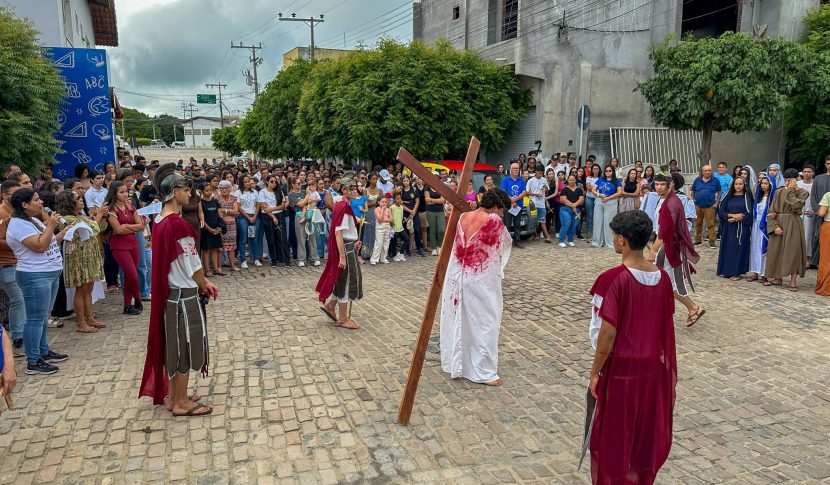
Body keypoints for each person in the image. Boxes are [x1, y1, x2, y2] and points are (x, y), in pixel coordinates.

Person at [588, 210, 676, 485]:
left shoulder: (612, 278)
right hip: (651, 370)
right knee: (642, 435)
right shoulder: (662, 278)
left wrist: (594, 372)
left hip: (622, 370)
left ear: (622, 240)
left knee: (614, 437)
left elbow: (606, 334)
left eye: (615, 236)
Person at [139, 163, 218, 417]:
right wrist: (204, 283)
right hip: (183, 294)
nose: (189, 195)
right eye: (186, 190)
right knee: (184, 346)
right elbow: (192, 262)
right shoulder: (177, 224)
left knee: (174, 346)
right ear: (174, 191)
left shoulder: (160, 220)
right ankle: (182, 402)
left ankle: (175, 397)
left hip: (170, 294)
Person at [440, 188, 512, 386]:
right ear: (496, 206)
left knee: (460, 320)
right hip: (480, 278)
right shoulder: (494, 221)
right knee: (485, 321)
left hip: (457, 277)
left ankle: (457, 362)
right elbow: (503, 245)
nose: (501, 215)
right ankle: (484, 371)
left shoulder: (463, 215)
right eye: (502, 210)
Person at [6, 189, 72, 375]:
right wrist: (51, 225)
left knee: (43, 316)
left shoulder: (32, 220)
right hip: (35, 276)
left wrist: (63, 232)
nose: (41, 202)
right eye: (36, 200)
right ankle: (33, 360)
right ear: (25, 204)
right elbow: (40, 246)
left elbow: (49, 242)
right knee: (35, 319)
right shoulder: (18, 224)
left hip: (48, 273)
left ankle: (43, 350)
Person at [647, 174, 705, 327]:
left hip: (667, 247)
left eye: (662, 184)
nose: (659, 187)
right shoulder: (666, 200)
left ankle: (693, 307)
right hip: (666, 245)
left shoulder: (671, 203)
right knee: (662, 281)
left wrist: (653, 250)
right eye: (657, 184)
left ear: (669, 185)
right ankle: (660, 312)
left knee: (664, 282)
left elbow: (665, 232)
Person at [54, 190, 106, 333]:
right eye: (78, 198)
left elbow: (100, 227)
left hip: (89, 256)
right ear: (70, 203)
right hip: (78, 258)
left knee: (89, 289)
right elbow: (94, 228)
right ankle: (81, 323)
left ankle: (90, 318)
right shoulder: (67, 219)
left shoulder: (81, 215)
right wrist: (99, 214)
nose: (81, 200)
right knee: (81, 290)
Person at [317, 176, 364, 330]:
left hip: (349, 246)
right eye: (351, 188)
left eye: (355, 188)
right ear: (344, 190)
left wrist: (354, 241)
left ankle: (331, 305)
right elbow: (338, 232)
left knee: (340, 280)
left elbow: (346, 232)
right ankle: (343, 319)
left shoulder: (344, 205)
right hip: (345, 250)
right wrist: (342, 256)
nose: (355, 191)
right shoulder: (343, 207)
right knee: (345, 282)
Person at [765, 168, 809, 291]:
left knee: (793, 251)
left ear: (795, 180)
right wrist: (775, 226)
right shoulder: (779, 192)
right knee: (776, 250)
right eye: (785, 180)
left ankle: (793, 280)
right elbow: (772, 211)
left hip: (794, 223)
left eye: (789, 180)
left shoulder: (803, 192)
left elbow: (796, 205)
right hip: (780, 221)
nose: (787, 182)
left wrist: (790, 191)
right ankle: (777, 277)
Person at [104, 181, 145, 315]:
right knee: (132, 275)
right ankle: (137, 299)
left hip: (133, 243)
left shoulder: (131, 207)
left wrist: (126, 226)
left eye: (126, 191)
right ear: (114, 193)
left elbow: (141, 226)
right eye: (121, 192)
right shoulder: (111, 209)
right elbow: (117, 230)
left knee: (130, 276)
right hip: (119, 246)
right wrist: (131, 227)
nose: (125, 194)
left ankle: (127, 306)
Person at [0, 181, 26, 358]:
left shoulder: (16, 213)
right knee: (18, 300)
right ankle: (18, 338)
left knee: (21, 300)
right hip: (7, 264)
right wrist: (19, 243)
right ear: (4, 195)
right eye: (14, 193)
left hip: (20, 262)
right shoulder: (2, 214)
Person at [716, 177, 753, 280]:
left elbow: (750, 214)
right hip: (729, 227)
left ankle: (736, 272)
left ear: (744, 185)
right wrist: (731, 215)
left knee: (738, 250)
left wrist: (740, 217)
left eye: (740, 184)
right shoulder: (728, 197)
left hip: (741, 229)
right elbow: (721, 212)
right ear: (733, 185)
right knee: (728, 249)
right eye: (736, 184)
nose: (738, 186)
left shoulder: (747, 198)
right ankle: (726, 270)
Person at [747, 175, 776, 283]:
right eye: (762, 183)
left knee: (764, 250)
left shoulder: (773, 198)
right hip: (756, 225)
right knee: (755, 248)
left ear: (770, 185)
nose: (763, 185)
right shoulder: (758, 196)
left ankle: (764, 274)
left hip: (765, 226)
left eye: (766, 183)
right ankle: (755, 272)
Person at [590, 165, 622, 248]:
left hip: (611, 202)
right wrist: (599, 194)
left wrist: (608, 198)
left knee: (609, 222)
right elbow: (593, 189)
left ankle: (609, 242)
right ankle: (597, 241)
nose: (607, 172)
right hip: (599, 200)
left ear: (613, 171)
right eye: (606, 171)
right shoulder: (600, 179)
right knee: (597, 221)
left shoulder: (617, 180)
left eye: (609, 171)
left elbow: (619, 193)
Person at [690, 165, 721, 249]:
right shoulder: (697, 180)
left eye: (709, 170)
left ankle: (712, 241)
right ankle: (698, 240)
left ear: (711, 171)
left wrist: (716, 203)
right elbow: (693, 191)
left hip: (710, 206)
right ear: (702, 171)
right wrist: (692, 201)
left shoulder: (715, 181)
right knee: (698, 223)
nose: (707, 172)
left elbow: (719, 192)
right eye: (706, 170)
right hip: (698, 205)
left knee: (711, 224)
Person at [233, 175, 260, 269]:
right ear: (241, 183)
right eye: (245, 181)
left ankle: (256, 258)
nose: (248, 183)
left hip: (253, 216)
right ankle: (243, 260)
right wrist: (248, 217)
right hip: (242, 217)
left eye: (249, 181)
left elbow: (258, 205)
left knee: (253, 237)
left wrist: (254, 216)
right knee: (243, 238)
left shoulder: (255, 192)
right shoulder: (238, 193)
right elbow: (238, 207)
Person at [499, 163, 528, 248]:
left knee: (517, 224)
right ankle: (507, 242)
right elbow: (503, 191)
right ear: (510, 169)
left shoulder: (522, 180)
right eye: (514, 168)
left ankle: (517, 241)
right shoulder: (505, 179)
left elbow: (524, 192)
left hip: (518, 206)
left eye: (517, 168)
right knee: (507, 224)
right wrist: (511, 200)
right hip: (508, 206)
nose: (516, 170)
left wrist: (515, 199)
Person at [810, 156, 830, 268]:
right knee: (816, 238)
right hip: (818, 215)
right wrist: (818, 210)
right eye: (828, 163)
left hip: (828, 217)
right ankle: (816, 262)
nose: (829, 165)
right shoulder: (818, 178)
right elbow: (813, 196)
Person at [198, 184, 223, 276]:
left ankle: (216, 268)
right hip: (206, 229)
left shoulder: (215, 202)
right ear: (202, 191)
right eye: (206, 190)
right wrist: (210, 229)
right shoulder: (200, 202)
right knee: (207, 249)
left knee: (215, 249)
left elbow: (219, 215)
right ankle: (207, 269)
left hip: (216, 228)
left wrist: (219, 227)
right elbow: (201, 218)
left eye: (210, 190)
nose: (209, 192)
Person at [216, 180, 239, 271]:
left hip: (232, 225)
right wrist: (229, 211)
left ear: (229, 189)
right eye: (222, 188)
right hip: (221, 224)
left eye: (226, 188)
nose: (224, 190)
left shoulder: (233, 198)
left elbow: (236, 212)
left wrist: (224, 210)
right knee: (220, 247)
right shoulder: (216, 199)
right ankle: (219, 267)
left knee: (232, 246)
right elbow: (217, 212)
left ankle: (232, 266)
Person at [400, 176, 424, 257]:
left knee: (417, 230)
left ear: (409, 181)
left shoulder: (414, 189)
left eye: (407, 180)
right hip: (405, 212)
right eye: (404, 181)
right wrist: (410, 211)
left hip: (414, 212)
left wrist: (413, 212)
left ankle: (419, 249)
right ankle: (406, 249)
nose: (406, 182)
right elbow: (401, 203)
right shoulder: (401, 191)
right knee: (406, 231)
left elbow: (417, 201)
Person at [558, 174, 584, 247]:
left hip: (577, 210)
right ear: (567, 180)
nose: (571, 181)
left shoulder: (579, 189)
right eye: (570, 180)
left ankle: (570, 240)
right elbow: (563, 200)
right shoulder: (565, 189)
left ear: (575, 180)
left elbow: (581, 199)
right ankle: (561, 240)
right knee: (566, 224)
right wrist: (572, 206)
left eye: (573, 180)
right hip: (565, 209)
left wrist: (575, 205)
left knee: (573, 225)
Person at [527, 164, 551, 242]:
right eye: (539, 173)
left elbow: (547, 189)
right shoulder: (531, 181)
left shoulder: (544, 179)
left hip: (542, 204)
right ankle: (535, 234)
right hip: (533, 203)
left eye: (542, 173)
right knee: (534, 221)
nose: (541, 175)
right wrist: (535, 194)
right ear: (536, 172)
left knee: (543, 220)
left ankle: (546, 236)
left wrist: (545, 188)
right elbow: (527, 192)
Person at [424, 177, 446, 255]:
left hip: (440, 211)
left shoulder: (441, 187)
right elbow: (427, 200)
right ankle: (434, 248)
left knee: (442, 230)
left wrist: (432, 200)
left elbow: (443, 200)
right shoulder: (427, 187)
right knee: (432, 230)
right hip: (430, 211)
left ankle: (439, 246)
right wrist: (437, 201)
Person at [798, 165, 815, 260]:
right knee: (798, 235)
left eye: (809, 171)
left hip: (810, 213)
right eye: (804, 171)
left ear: (813, 173)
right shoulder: (798, 184)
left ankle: (807, 258)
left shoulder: (815, 184)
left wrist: (814, 211)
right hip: (798, 213)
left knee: (808, 235)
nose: (806, 173)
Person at [370, 196, 393, 265]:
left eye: (385, 202)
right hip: (380, 228)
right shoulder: (377, 209)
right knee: (378, 243)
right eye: (382, 202)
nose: (384, 203)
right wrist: (383, 210)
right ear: (378, 202)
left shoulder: (388, 209)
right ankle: (374, 259)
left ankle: (383, 258)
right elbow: (379, 219)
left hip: (387, 227)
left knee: (386, 243)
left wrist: (384, 220)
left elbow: (391, 219)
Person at [816, 188, 830, 295]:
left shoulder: (828, 195)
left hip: (828, 227)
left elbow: (821, 212)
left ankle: (825, 288)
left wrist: (817, 211)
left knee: (826, 259)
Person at [390, 193, 409, 262]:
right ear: (394, 200)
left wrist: (404, 219)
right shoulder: (392, 207)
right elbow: (390, 217)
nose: (399, 200)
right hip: (394, 228)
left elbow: (401, 216)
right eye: (397, 199)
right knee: (394, 242)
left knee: (407, 239)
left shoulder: (401, 207)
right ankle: (394, 255)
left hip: (401, 228)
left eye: (400, 198)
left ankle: (400, 253)